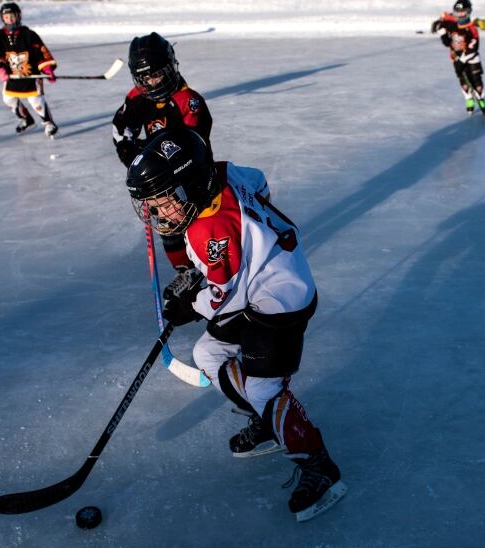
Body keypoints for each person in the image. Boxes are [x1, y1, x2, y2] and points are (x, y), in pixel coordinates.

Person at [124, 128, 347, 522]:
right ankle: (269, 422)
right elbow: (258, 179)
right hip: (259, 286)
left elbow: (221, 294)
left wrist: (187, 306)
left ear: (191, 185)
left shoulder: (211, 230)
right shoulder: (222, 173)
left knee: (263, 387)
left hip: (279, 302)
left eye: (165, 200)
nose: (159, 212)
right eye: (153, 202)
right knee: (207, 353)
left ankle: (319, 466)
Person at [113, 32, 213, 288]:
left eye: (156, 74)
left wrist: (152, 159)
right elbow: (122, 126)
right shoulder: (137, 98)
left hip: (192, 174)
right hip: (160, 178)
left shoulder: (187, 101)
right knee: (168, 225)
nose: (151, 83)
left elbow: (190, 144)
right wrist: (127, 149)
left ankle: (215, 267)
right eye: (144, 77)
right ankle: (187, 271)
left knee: (201, 224)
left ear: (170, 68)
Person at [0, 2, 59, 138]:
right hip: (12, 76)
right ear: (2, 18)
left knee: (35, 100)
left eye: (12, 16)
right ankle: (26, 118)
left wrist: (47, 69)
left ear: (18, 16)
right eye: (6, 17)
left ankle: (49, 123)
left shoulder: (29, 35)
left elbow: (41, 53)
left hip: (31, 75)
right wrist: (0, 69)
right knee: (8, 99)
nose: (9, 19)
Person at [433, 1, 485, 117]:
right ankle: (469, 99)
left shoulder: (472, 29)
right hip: (456, 58)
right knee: (464, 83)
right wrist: (443, 35)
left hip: (471, 59)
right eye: (457, 12)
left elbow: (473, 49)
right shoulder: (451, 23)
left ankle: (481, 100)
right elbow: (441, 23)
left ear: (469, 12)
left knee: (477, 83)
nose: (460, 15)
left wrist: (462, 60)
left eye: (463, 12)